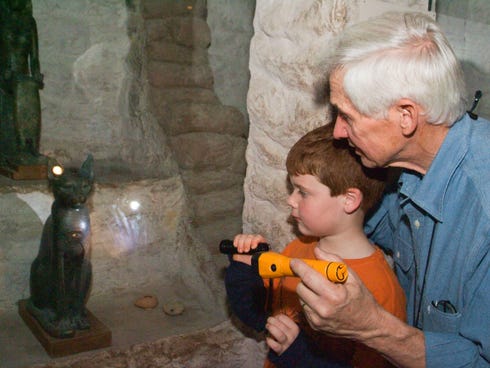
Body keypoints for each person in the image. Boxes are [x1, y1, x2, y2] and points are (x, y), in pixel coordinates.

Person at [289, 11, 490, 368]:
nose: (337, 132)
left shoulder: (483, 209)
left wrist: (371, 327)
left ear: (406, 117)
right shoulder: (399, 168)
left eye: (348, 116)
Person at [225, 124, 406, 367]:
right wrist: (244, 271)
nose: (291, 200)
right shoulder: (299, 249)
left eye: (303, 192)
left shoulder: (380, 288)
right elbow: (257, 316)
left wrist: (298, 353)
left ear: (349, 200)